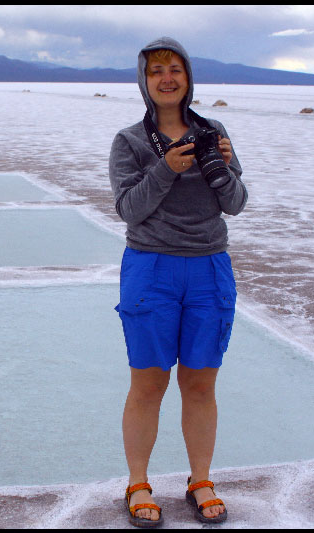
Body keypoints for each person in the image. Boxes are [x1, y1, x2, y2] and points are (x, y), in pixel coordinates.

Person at [109, 36, 247, 528]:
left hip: (209, 267)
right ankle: (138, 483)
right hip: (151, 268)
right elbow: (128, 208)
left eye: (175, 69)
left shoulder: (214, 130)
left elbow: (235, 202)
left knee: (201, 383)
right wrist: (165, 169)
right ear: (144, 82)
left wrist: (223, 166)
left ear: (188, 77)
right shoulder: (128, 141)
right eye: (155, 71)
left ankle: (201, 479)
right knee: (148, 383)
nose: (166, 78)